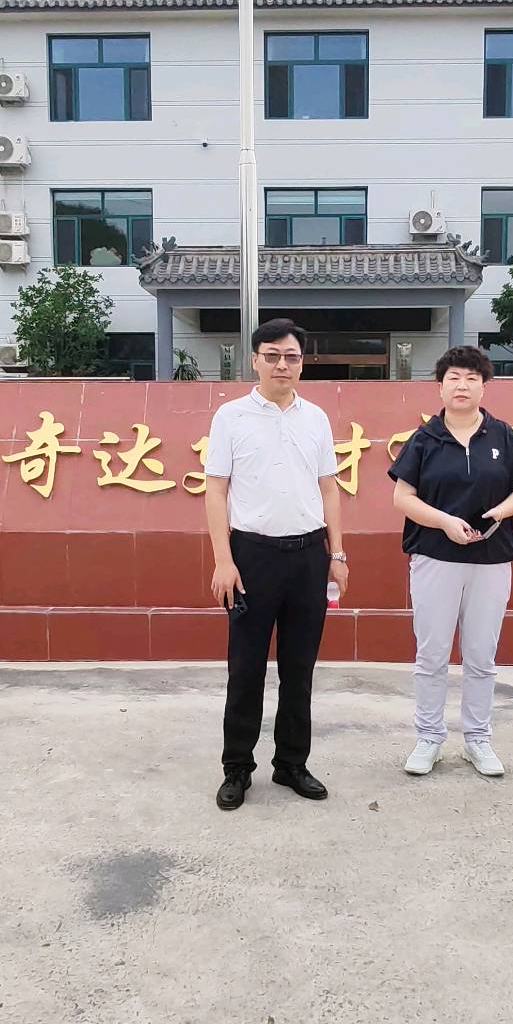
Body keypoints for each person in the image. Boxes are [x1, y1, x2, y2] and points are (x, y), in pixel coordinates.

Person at [204, 319, 349, 811]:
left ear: (302, 363)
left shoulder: (317, 419)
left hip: (308, 557)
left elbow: (329, 487)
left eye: (291, 356)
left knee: (299, 669)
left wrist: (337, 554)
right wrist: (223, 560)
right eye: (272, 355)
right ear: (255, 360)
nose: (282, 364)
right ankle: (237, 768)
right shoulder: (231, 417)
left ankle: (291, 763)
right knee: (245, 669)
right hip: (252, 558)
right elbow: (216, 490)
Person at [388, 345, 513, 778]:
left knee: (481, 655)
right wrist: (444, 522)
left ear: (484, 387)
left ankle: (478, 739)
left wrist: (501, 511)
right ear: (440, 386)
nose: (462, 385)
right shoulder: (425, 439)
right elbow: (403, 497)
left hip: (491, 559)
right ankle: (429, 738)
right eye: (454, 377)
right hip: (435, 557)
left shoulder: (501, 435)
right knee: (432, 654)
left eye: (472, 378)